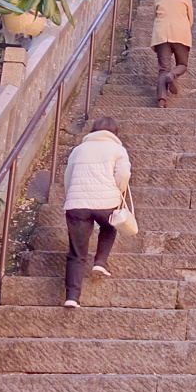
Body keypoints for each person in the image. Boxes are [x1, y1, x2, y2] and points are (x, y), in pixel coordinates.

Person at [63, 117, 131, 306]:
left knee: (76, 253)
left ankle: (72, 298)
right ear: (115, 133)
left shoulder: (78, 150)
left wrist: (71, 196)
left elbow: (68, 177)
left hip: (77, 204)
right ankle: (100, 262)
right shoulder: (118, 150)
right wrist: (118, 191)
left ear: (93, 131)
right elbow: (123, 175)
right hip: (106, 202)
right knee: (110, 226)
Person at [151, 0, 193, 108]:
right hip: (180, 34)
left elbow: (155, 16)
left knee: (163, 69)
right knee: (182, 64)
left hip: (161, 35)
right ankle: (172, 75)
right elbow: (190, 19)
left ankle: (161, 100)